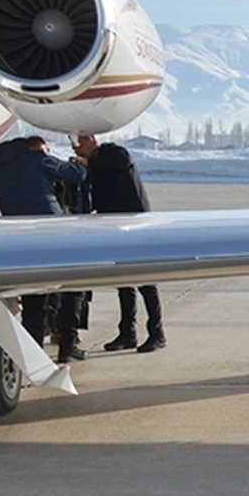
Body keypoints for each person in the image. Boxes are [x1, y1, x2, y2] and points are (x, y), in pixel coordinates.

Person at [0, 136, 89, 363]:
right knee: (72, 288)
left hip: (20, 237)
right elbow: (76, 175)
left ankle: (33, 354)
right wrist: (80, 164)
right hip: (51, 232)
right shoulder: (36, 159)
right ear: (33, 147)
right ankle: (67, 347)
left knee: (33, 297)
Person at [72, 134, 166, 354]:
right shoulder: (97, 165)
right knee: (124, 281)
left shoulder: (114, 153)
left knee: (145, 281)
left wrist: (88, 163)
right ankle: (127, 333)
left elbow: (118, 162)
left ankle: (157, 333)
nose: (78, 148)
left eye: (82, 143)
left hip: (134, 222)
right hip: (115, 223)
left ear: (93, 141)